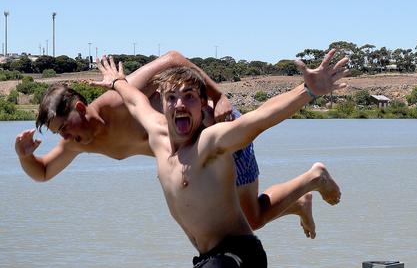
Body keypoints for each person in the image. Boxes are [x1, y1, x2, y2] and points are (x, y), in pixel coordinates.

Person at [15, 51, 338, 239]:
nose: (65, 139)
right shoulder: (79, 144)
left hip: (217, 133)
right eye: (59, 134)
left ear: (81, 109)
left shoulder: (117, 102)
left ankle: (312, 179)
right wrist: (24, 157)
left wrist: (219, 95)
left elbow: (173, 59)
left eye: (65, 129)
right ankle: (298, 201)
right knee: (241, 222)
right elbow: (42, 172)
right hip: (191, 163)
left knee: (248, 222)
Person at [92, 49, 348, 267]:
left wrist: (308, 90)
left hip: (237, 255)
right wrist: (117, 81)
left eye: (189, 97)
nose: (180, 104)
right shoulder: (156, 135)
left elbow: (260, 118)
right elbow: (135, 102)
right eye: (172, 98)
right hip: (207, 258)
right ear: (162, 102)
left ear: (203, 104)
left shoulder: (210, 144)